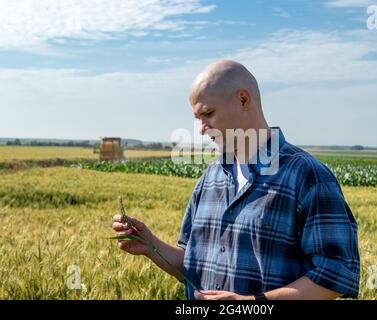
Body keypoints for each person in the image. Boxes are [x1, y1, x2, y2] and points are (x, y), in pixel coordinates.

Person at [112, 60, 360, 300]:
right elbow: (192, 266)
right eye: (197, 119)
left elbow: (337, 274)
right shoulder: (209, 179)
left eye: (207, 114)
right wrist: (151, 246)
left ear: (243, 100)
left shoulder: (307, 176)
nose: (201, 129)